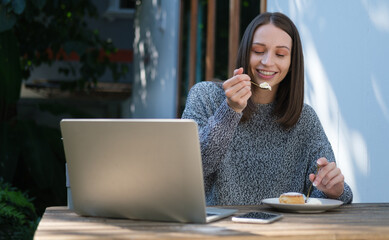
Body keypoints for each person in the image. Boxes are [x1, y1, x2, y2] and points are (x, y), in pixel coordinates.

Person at [181, 12, 353, 205]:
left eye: (280, 54)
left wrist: (334, 191)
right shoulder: (205, 96)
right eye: (258, 51)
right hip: (219, 230)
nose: (267, 62)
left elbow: (323, 195)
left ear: (292, 62)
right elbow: (190, 168)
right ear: (246, 52)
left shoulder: (304, 119)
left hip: (284, 231)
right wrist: (230, 111)